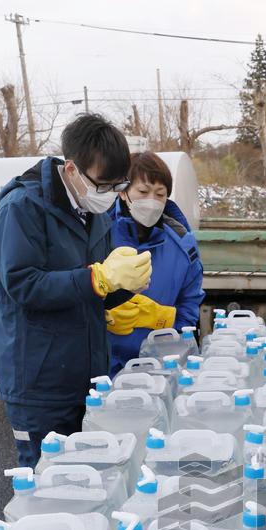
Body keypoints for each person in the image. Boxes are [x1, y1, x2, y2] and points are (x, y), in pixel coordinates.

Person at [0, 113, 152, 467]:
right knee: (46, 481)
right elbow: (23, 284)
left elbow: (95, 288)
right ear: (73, 169)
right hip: (39, 381)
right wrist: (99, 278)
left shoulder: (95, 210)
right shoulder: (22, 207)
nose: (110, 195)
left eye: (117, 186)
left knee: (88, 482)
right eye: (103, 185)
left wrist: (125, 284)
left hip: (87, 376)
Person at [106, 151, 204, 374]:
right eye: (142, 191)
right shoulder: (98, 234)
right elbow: (79, 286)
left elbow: (190, 302)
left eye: (160, 194)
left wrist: (168, 327)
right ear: (123, 192)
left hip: (159, 367)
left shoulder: (183, 244)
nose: (151, 201)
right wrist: (102, 314)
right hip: (103, 367)